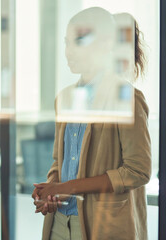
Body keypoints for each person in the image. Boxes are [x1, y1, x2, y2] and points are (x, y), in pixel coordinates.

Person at [32, 8, 151, 240]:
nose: (69, 52)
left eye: (79, 41)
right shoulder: (64, 98)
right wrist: (50, 190)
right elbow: (60, 162)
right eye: (67, 43)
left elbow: (138, 170)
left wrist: (68, 187)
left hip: (103, 227)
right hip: (58, 224)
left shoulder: (126, 97)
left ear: (105, 44)